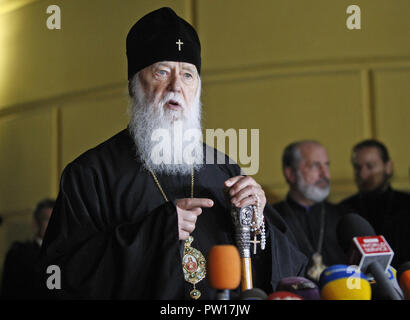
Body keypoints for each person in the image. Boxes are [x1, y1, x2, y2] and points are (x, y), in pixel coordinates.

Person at [39, 7, 307, 300]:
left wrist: (257, 224)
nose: (176, 86)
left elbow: (292, 272)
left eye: (188, 75)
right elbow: (59, 276)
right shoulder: (90, 174)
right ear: (134, 85)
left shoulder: (224, 168)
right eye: (162, 72)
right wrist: (154, 234)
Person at [272, 141, 346, 282]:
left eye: (327, 165)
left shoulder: (344, 216)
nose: (325, 174)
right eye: (315, 165)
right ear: (291, 174)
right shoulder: (272, 218)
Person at [339, 139, 410, 267]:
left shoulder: (406, 204)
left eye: (370, 166)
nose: (363, 174)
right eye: (357, 167)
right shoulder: (344, 209)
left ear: (388, 167)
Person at [1, 198, 55, 299]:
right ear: (36, 224)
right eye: (47, 219)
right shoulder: (18, 254)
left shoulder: (69, 254)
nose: (53, 224)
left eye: (57, 219)